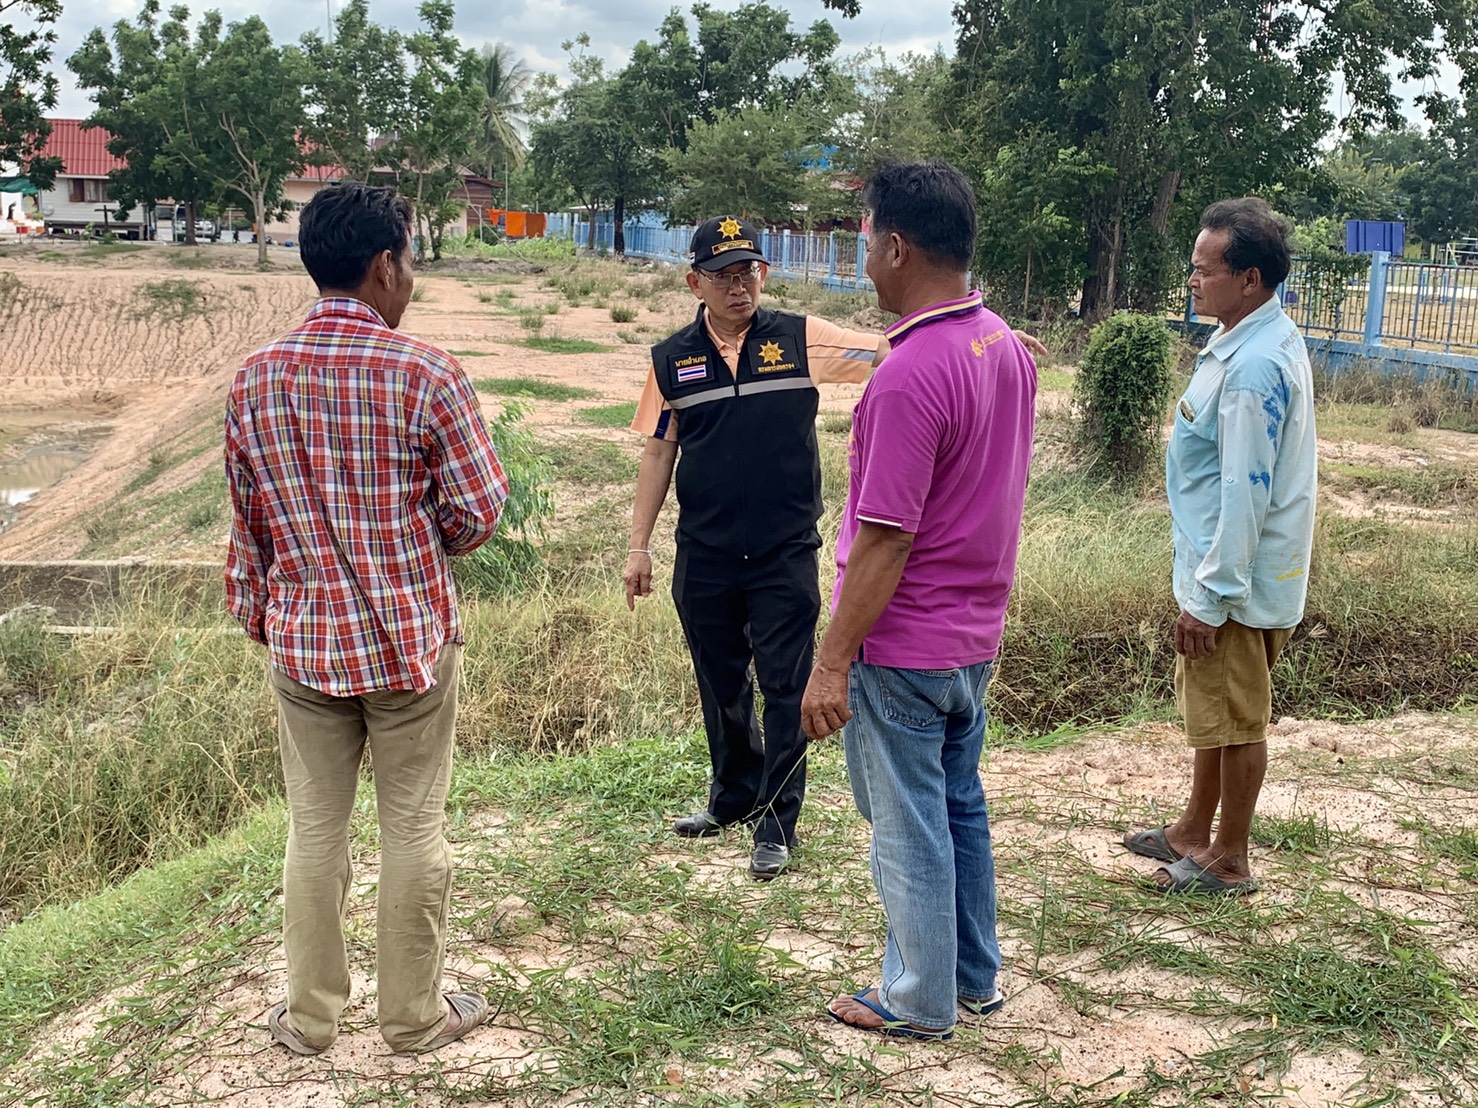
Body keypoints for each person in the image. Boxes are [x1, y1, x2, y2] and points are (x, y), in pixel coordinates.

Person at [225, 181, 509, 1055]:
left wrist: (267, 613)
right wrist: (416, 545)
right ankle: (413, 1018)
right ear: (385, 266)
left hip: (304, 645)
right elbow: (478, 511)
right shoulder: (426, 374)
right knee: (414, 827)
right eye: (409, 260)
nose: (410, 278)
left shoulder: (255, 378)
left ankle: (311, 1018)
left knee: (315, 830)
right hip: (408, 644)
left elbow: (249, 523)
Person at [800, 161, 1037, 1040]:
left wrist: (832, 662)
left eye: (865, 238)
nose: (863, 255)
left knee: (906, 824)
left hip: (904, 644)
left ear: (896, 247)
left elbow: (885, 538)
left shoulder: (906, 379)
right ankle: (972, 974)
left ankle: (917, 997)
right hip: (973, 635)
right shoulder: (1003, 345)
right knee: (956, 803)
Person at [623, 215, 889, 881]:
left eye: (748, 271)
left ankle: (776, 822)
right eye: (723, 275)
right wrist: (639, 546)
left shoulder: (800, 339)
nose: (739, 286)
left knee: (784, 686)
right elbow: (658, 452)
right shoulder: (671, 360)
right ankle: (733, 796)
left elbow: (888, 350)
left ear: (763, 274)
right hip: (704, 553)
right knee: (720, 683)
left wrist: (978, 338)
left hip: (783, 552)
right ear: (695, 283)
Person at [1122, 197, 1317, 896]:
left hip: (1235, 585)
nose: (1193, 281)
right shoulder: (1247, 339)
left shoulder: (1253, 367)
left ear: (1250, 279)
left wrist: (1210, 598)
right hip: (1221, 570)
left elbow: (1245, 494)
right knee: (1212, 711)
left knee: (1235, 720)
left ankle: (1229, 858)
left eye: (1205, 271)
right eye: (1194, 268)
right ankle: (1191, 830)